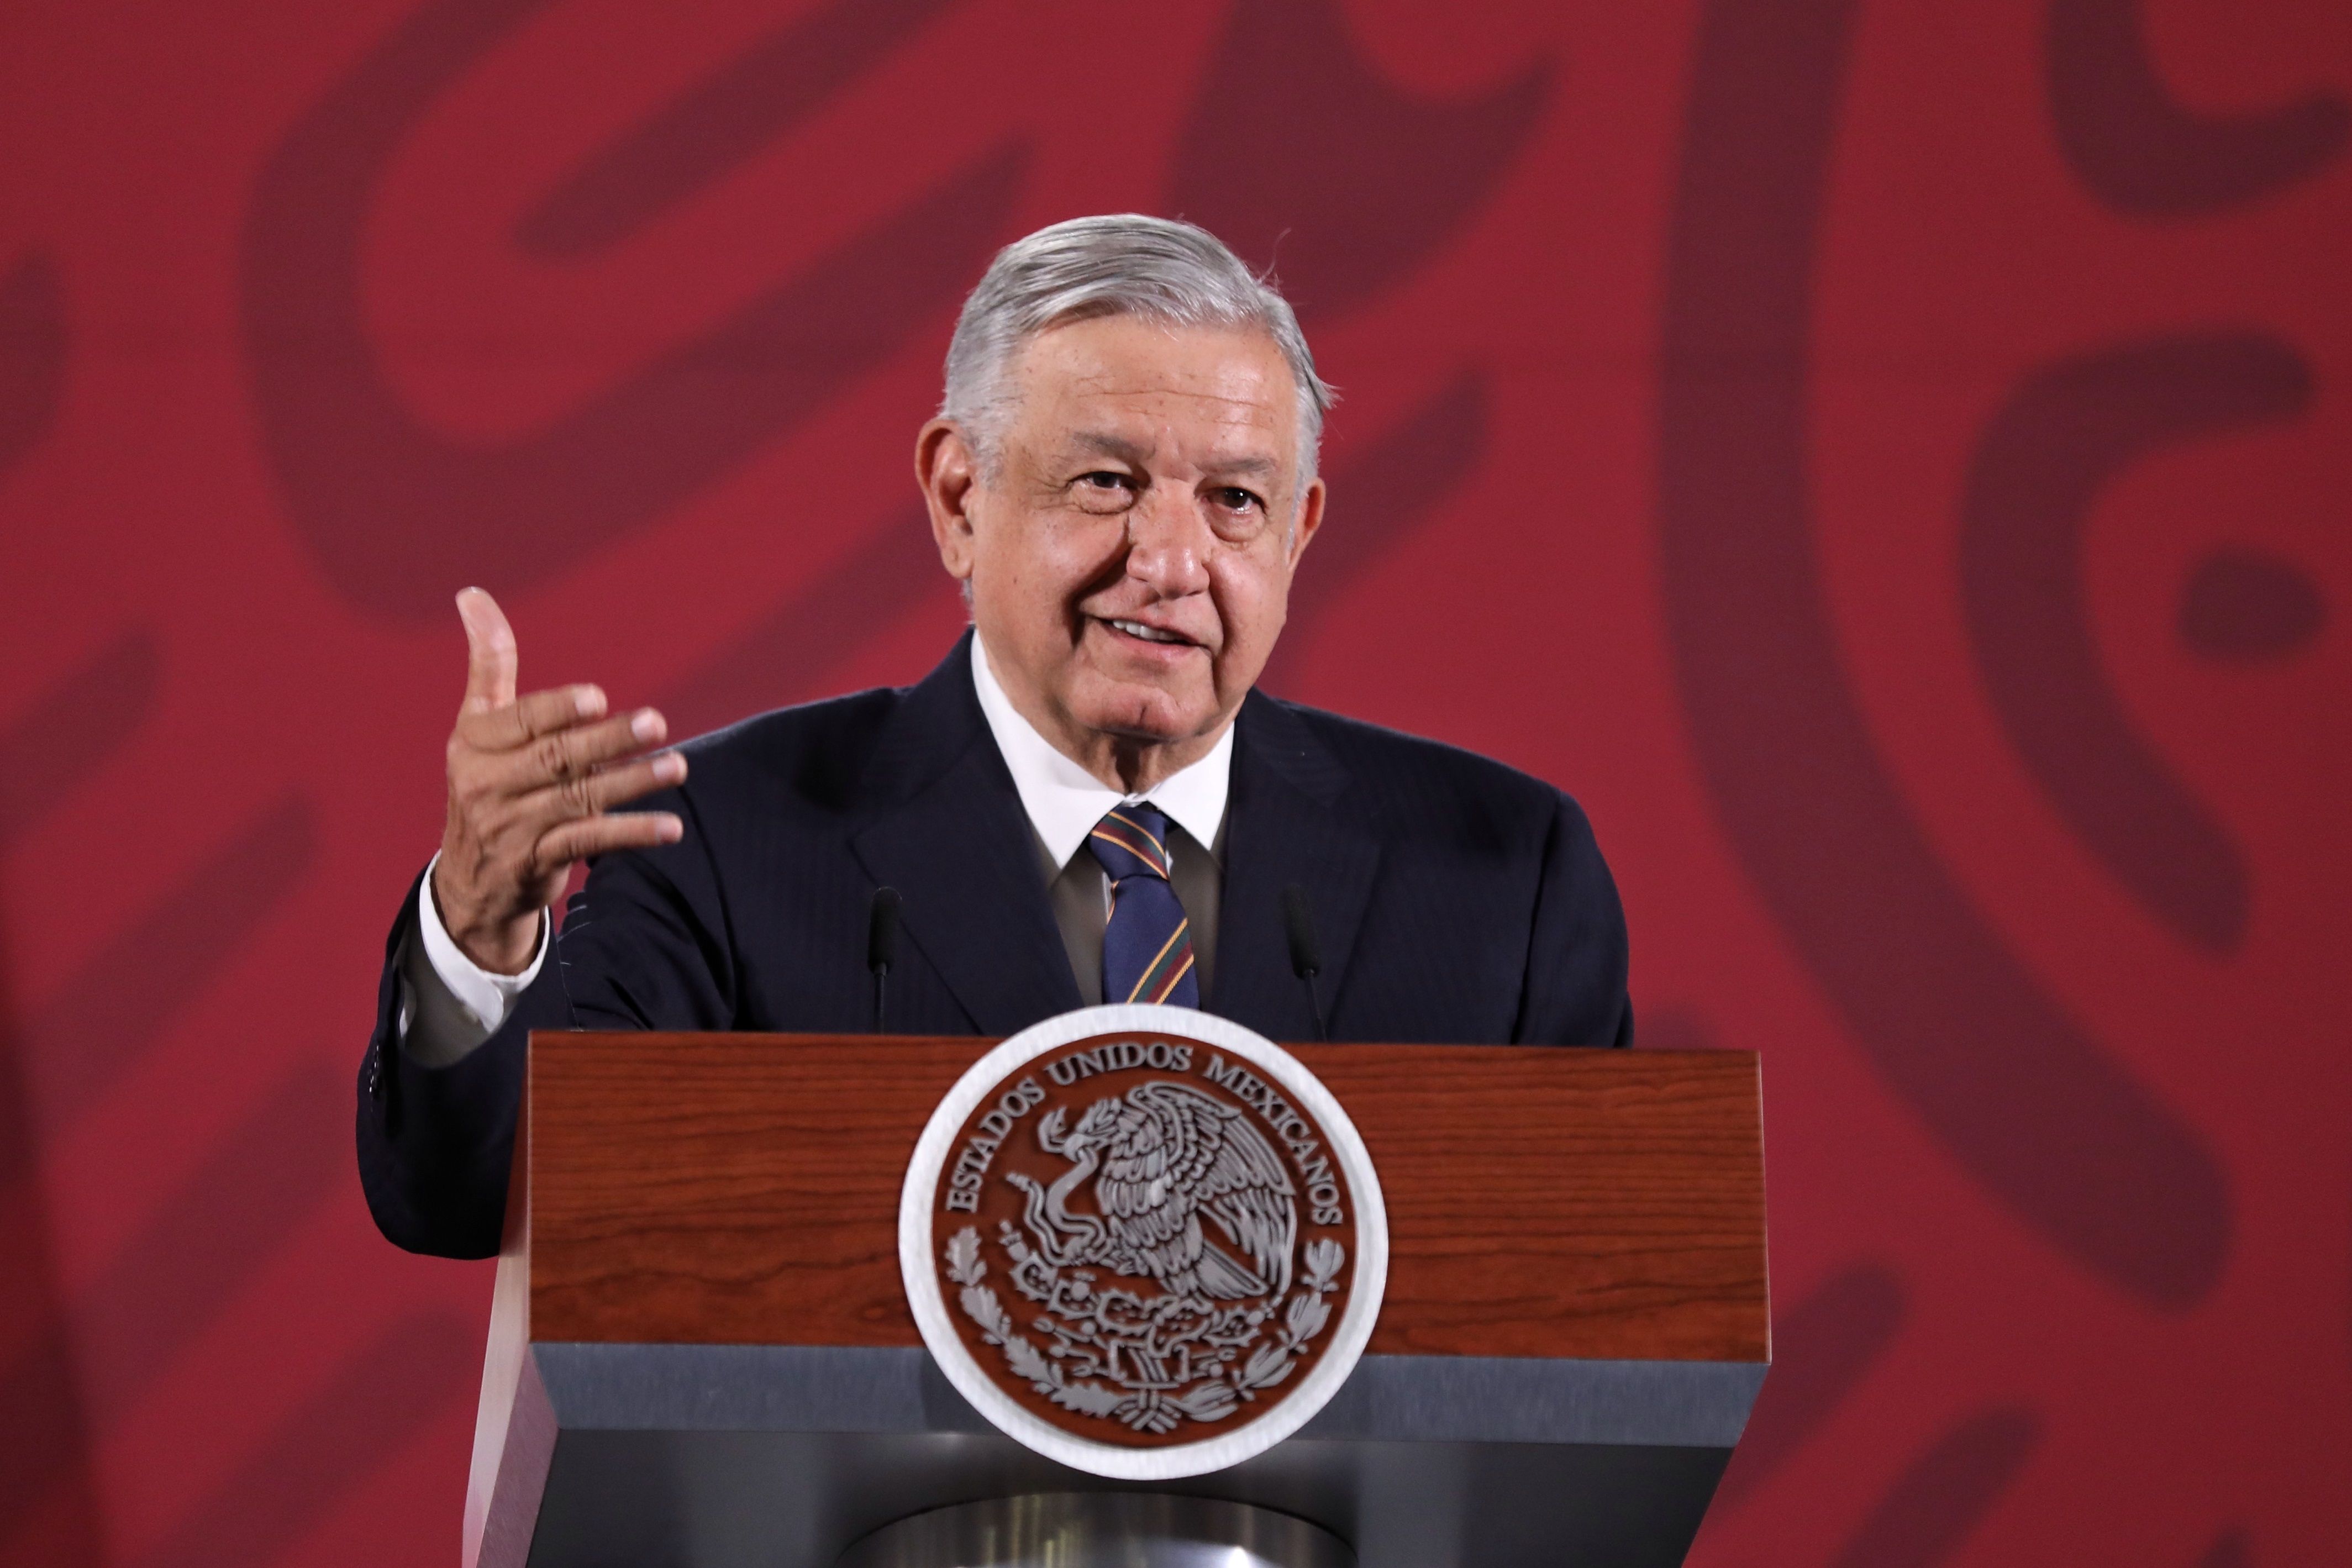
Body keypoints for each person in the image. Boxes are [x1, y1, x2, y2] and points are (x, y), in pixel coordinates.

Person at [357, 215, 1630, 1259]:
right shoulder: (725, 842)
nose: (1171, 562)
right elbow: (488, 1205)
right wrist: (479, 933)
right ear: (960, 498)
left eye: (1233, 501)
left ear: (1296, 533)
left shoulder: (1500, 874)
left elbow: (1602, 1312)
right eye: (1106, 483)